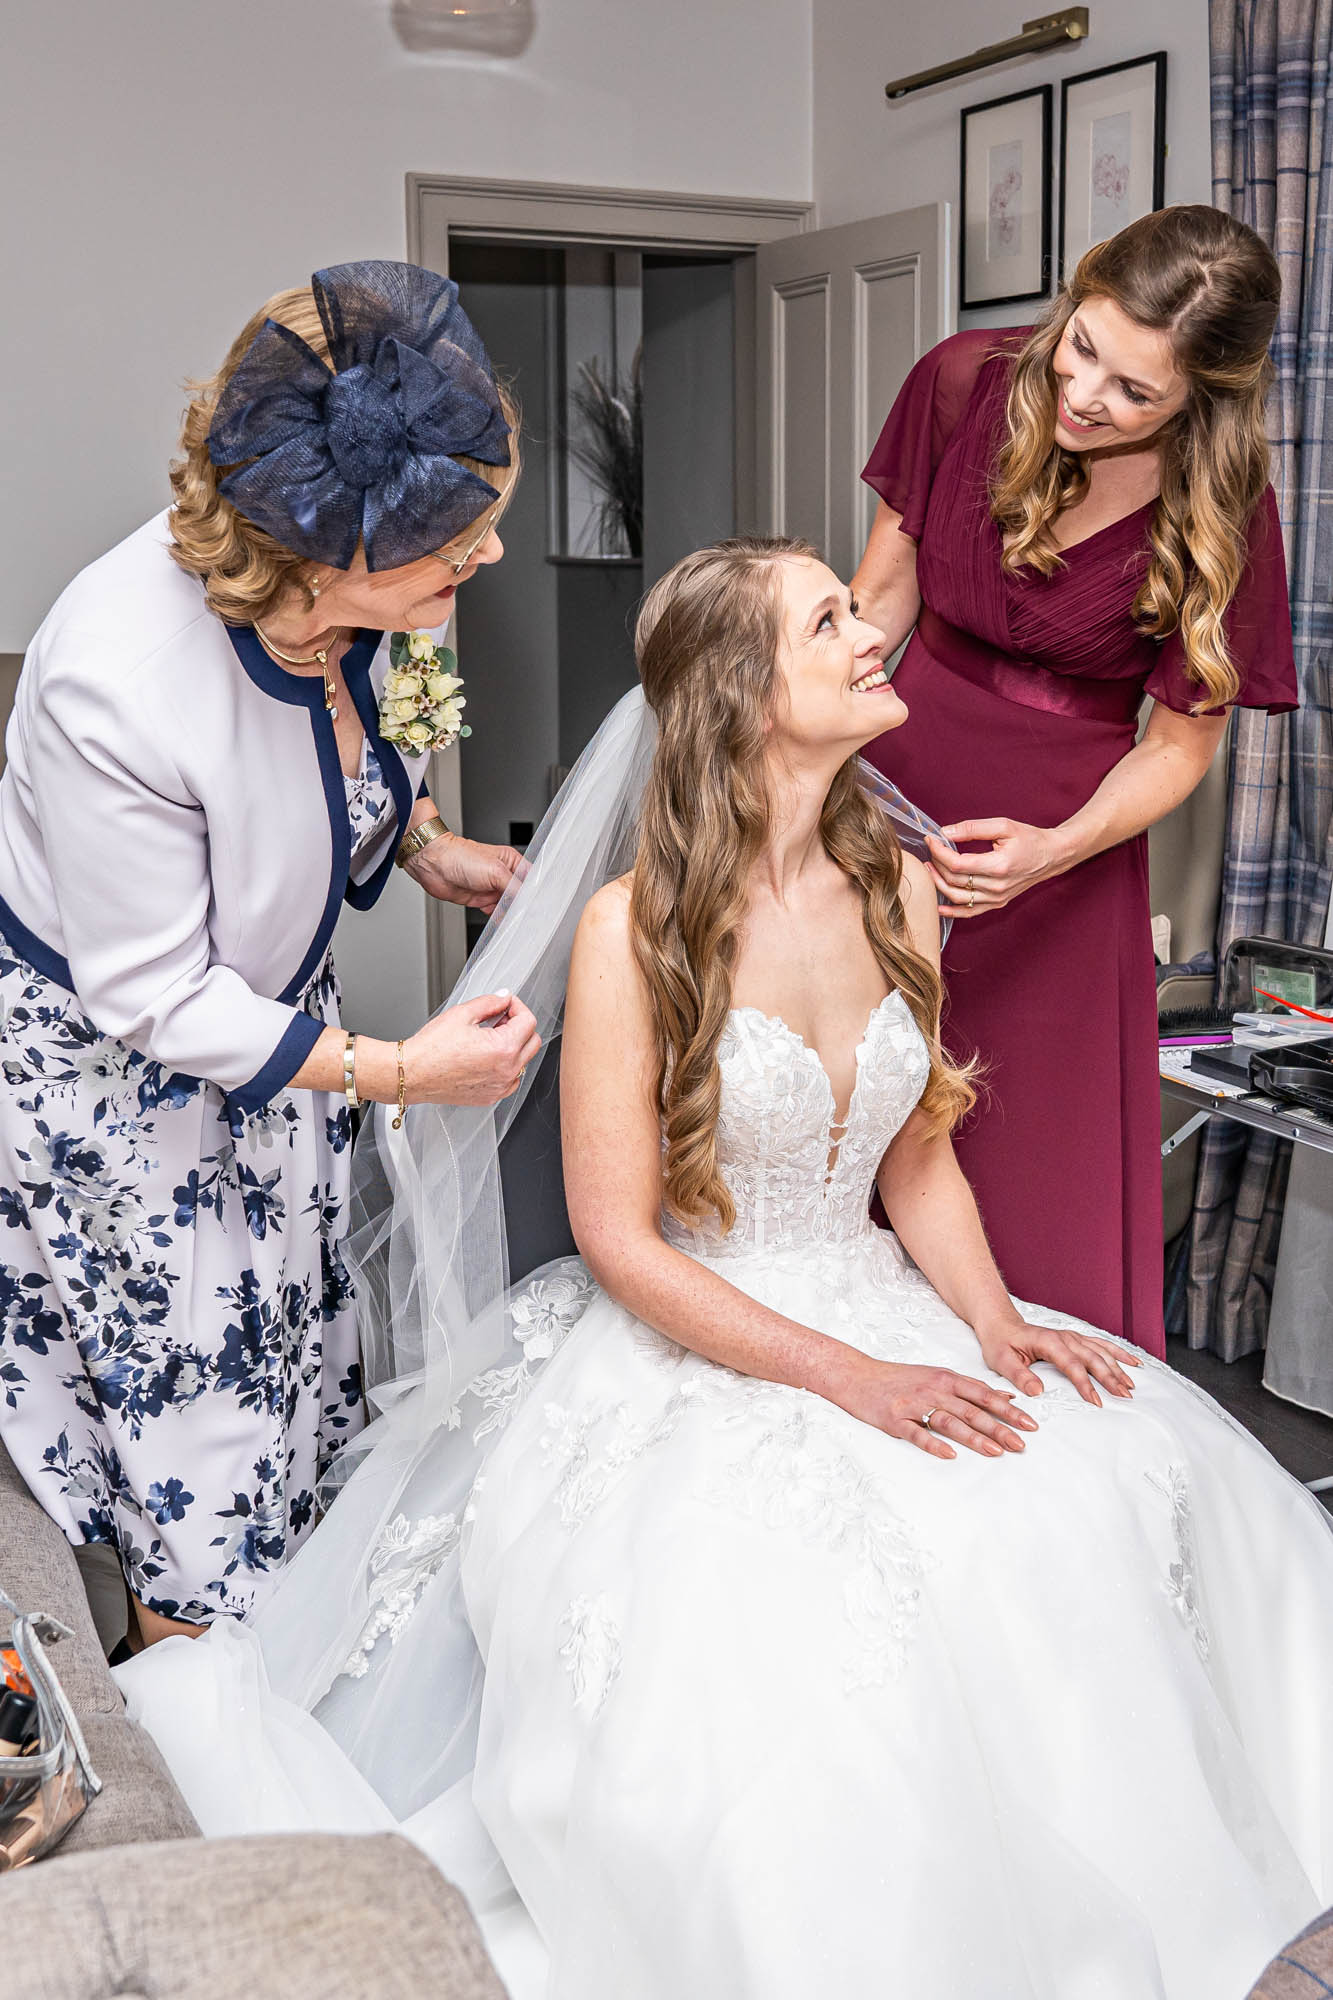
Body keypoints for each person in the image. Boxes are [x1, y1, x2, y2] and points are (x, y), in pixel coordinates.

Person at [119, 540, 1333, 2000]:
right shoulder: (631, 935)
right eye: (829, 622)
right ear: (749, 695)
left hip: (877, 1289)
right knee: (819, 1621)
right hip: (698, 1328)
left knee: (1115, 1478)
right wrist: (849, 1377)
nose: (873, 636)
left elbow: (917, 1158)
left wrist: (996, 1323)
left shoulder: (903, 891)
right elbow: (622, 1243)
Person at [0, 261, 540, 1646]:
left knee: (298, 1380)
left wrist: (427, 841)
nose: (483, 561)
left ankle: (279, 1673)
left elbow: (409, 711)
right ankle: (204, 1768)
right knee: (199, 1449)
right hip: (122, 1096)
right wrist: (400, 1074)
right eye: (457, 546)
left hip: (276, 1044)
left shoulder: (400, 590)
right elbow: (152, 993)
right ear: (328, 555)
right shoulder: (111, 681)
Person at [853, 205, 1299, 1354]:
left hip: (1065, 856)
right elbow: (880, 603)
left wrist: (1052, 849)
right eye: (1083, 344)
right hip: (891, 802)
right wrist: (801, 754)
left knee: (1028, 1170)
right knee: (859, 1122)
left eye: (1136, 391)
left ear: (1204, 397)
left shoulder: (1227, 508)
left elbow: (1181, 741)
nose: (1087, 394)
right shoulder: (962, 382)